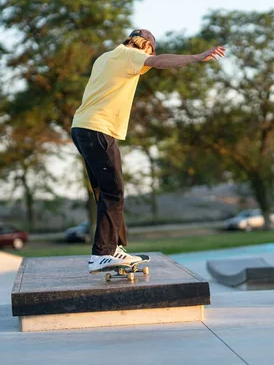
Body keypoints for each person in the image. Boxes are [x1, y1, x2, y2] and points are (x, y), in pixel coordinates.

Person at [70, 29, 226, 272]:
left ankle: (114, 248)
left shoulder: (106, 57)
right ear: (147, 47)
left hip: (82, 128)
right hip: (97, 129)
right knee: (114, 190)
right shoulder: (131, 55)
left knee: (106, 190)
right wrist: (197, 57)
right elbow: (159, 61)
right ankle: (102, 254)